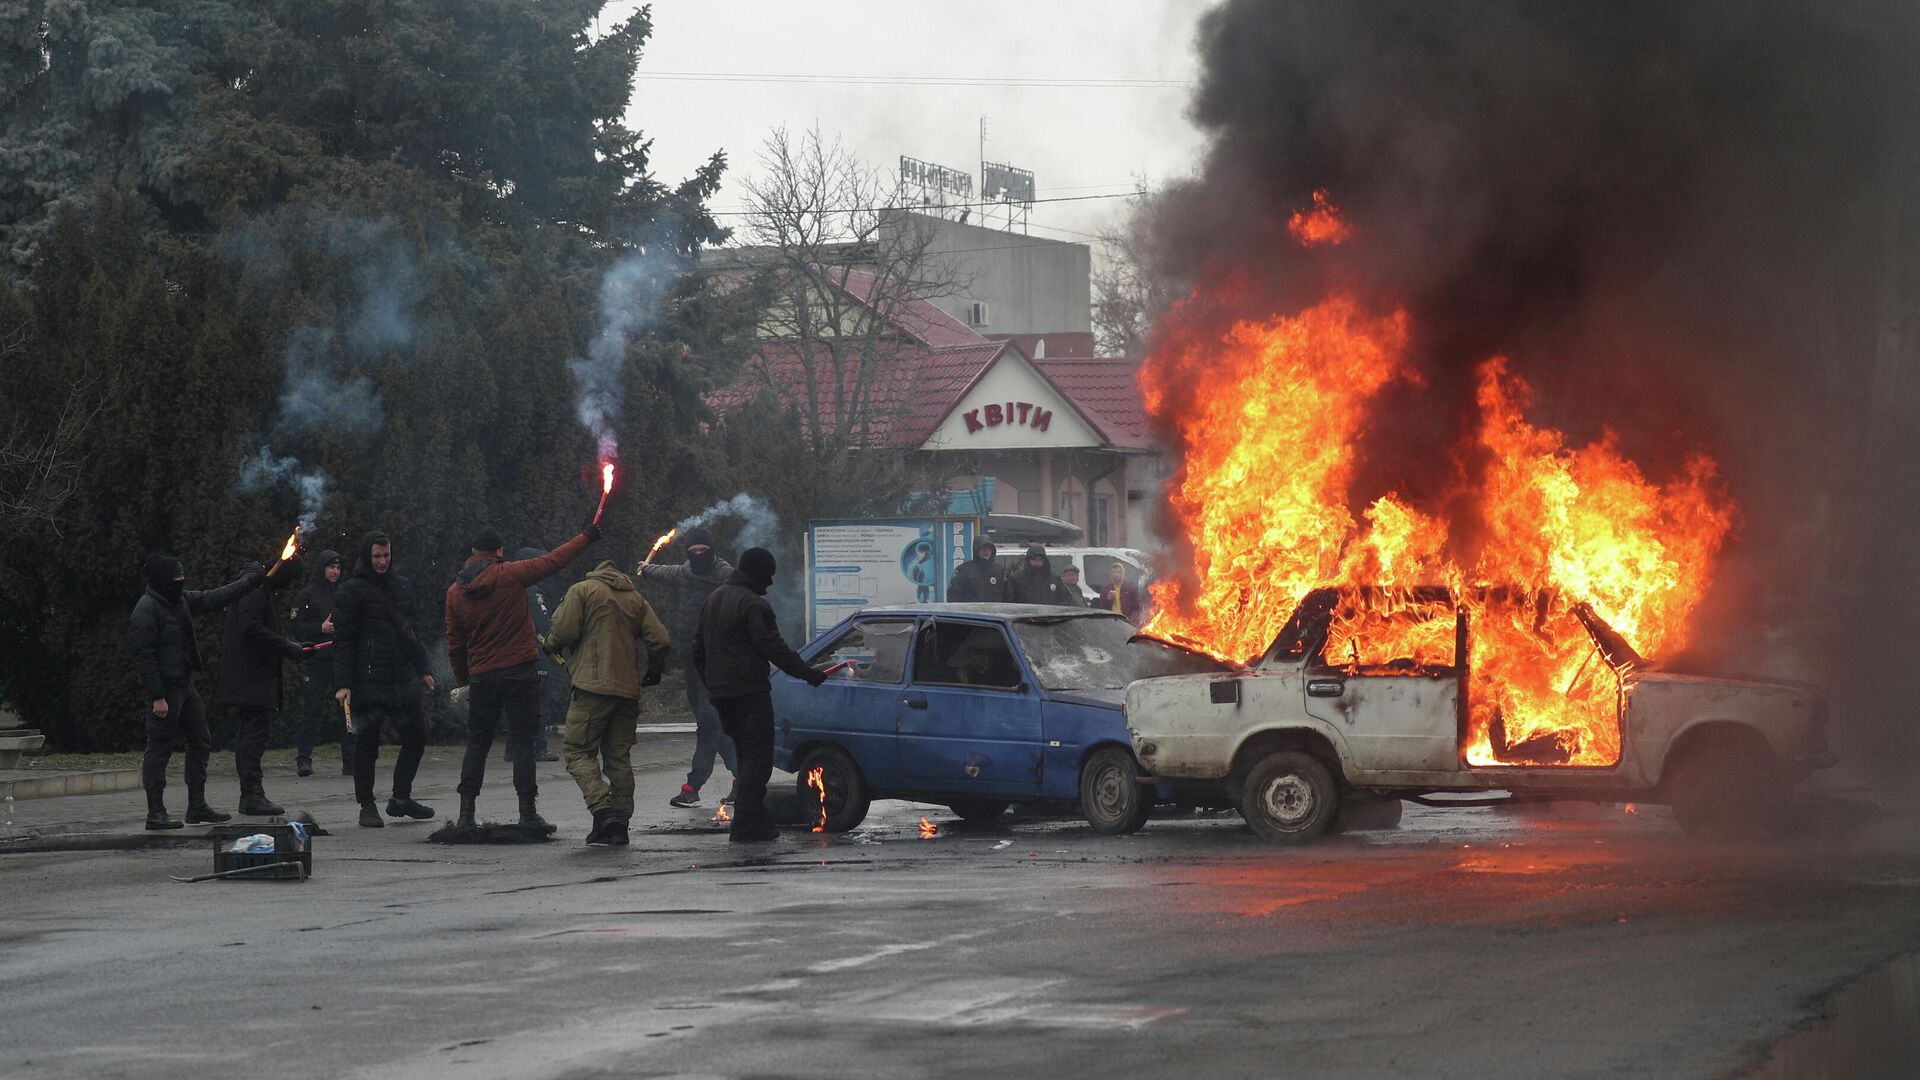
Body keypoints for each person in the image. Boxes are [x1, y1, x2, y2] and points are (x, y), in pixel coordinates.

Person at [444, 524, 597, 833]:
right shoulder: (512, 574)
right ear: (499, 551)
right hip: (519, 670)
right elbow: (554, 560)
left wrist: (465, 681)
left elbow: (455, 644)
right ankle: (527, 812)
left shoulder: (455, 592)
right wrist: (587, 537)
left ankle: (465, 814)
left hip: (482, 676)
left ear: (473, 553)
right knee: (524, 744)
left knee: (478, 744)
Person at [691, 547, 828, 842]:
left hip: (722, 695)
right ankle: (746, 821)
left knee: (743, 753)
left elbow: (697, 650)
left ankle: (754, 817)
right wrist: (809, 674)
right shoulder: (753, 605)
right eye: (768, 575)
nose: (770, 583)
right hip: (749, 692)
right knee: (758, 757)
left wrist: (712, 684)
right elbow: (772, 647)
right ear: (757, 573)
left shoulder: (713, 599)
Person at [129, 554, 265, 830]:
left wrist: (249, 583)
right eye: (177, 577)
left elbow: (215, 597)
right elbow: (144, 657)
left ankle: (197, 806)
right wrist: (157, 696)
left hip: (185, 685)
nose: (181, 581)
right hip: (165, 691)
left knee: (201, 740)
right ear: (163, 580)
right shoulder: (146, 610)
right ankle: (155, 812)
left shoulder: (180, 600)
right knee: (159, 749)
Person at [546, 559, 670, 846]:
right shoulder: (635, 598)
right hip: (627, 691)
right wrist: (653, 671)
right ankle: (620, 825)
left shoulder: (582, 590)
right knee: (618, 758)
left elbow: (564, 631)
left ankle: (603, 814)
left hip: (591, 688)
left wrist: (550, 644)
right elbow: (661, 640)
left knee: (578, 751)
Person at [332, 531, 438, 828]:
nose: (382, 561)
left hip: (400, 677)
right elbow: (344, 641)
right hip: (367, 681)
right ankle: (367, 804)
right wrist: (343, 684)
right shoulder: (350, 591)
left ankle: (401, 799)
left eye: (386, 555)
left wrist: (424, 669)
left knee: (417, 736)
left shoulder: (402, 587)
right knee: (367, 744)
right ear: (367, 556)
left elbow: (411, 634)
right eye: (377, 556)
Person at [637, 527, 737, 810]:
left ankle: (692, 787)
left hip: (716, 660)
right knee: (711, 723)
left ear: (713, 550)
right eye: (693, 552)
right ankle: (742, 777)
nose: (698, 556)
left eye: (703, 551)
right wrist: (646, 569)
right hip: (691, 658)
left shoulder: (726, 575)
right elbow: (665, 572)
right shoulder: (684, 571)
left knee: (707, 722)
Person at [215, 557, 309, 816]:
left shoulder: (257, 587)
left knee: (251, 734)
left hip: (251, 675)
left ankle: (252, 793)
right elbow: (252, 629)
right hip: (251, 676)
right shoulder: (255, 589)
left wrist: (287, 645)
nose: (289, 587)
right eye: (290, 580)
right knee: (254, 736)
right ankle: (251, 795)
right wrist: (285, 646)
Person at [287, 549, 346, 776]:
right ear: (322, 568)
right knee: (312, 710)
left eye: (339, 567)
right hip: (317, 661)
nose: (335, 571)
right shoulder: (307, 595)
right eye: (331, 567)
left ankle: (350, 761)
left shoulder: (344, 593)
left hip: (340, 661)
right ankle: (304, 759)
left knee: (346, 710)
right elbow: (295, 627)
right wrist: (319, 629)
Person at [508, 547, 561, 765]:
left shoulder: (510, 589)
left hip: (514, 656)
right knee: (539, 703)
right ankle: (540, 746)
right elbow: (544, 625)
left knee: (517, 704)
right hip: (536, 654)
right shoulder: (533, 591)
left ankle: (512, 748)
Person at [1005, 544, 1071, 605]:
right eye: (1033, 560)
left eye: (1040, 560)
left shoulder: (1055, 579)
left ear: (1044, 561)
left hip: (1050, 616)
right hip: (1025, 616)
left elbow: (1067, 600)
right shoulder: (1016, 579)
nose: (1037, 563)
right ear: (1028, 560)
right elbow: (1009, 602)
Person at [946, 538, 1004, 602]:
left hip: (994, 611)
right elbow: (953, 594)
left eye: (989, 548)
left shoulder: (999, 570)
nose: (986, 551)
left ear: (992, 550)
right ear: (976, 550)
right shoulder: (964, 569)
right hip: (971, 611)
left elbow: (1006, 594)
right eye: (982, 548)